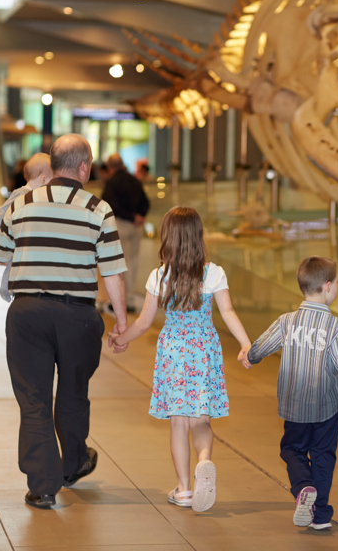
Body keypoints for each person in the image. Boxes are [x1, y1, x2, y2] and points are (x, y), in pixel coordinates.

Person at [0, 134, 129, 509]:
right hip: (77, 316)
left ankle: (43, 486)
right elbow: (113, 272)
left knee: (33, 398)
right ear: (84, 167)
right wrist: (122, 322)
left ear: (52, 166)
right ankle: (72, 464)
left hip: (27, 313)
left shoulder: (23, 203)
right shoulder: (98, 209)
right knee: (72, 392)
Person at [112, 206, 253, 512]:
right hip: (204, 352)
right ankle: (204, 461)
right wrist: (245, 344)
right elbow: (228, 312)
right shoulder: (213, 272)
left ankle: (185, 489)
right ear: (199, 237)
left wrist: (119, 339)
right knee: (201, 420)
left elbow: (144, 323)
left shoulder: (160, 276)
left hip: (174, 355)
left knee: (179, 424)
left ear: (168, 238)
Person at [247, 256, 338, 531]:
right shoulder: (337, 327)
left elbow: (262, 346)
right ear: (327, 286)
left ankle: (303, 487)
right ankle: (321, 514)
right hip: (328, 407)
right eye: (337, 283)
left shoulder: (286, 321)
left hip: (294, 406)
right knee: (324, 455)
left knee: (292, 449)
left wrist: (250, 356)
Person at [0, 154, 52, 302]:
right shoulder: (21, 193)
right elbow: (4, 208)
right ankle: (5, 288)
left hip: (24, 237)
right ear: (43, 179)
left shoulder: (39, 196)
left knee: (15, 263)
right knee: (13, 264)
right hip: (18, 239)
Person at [102, 153, 150, 313]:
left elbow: (110, 205)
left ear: (110, 167)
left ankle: (121, 301)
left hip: (121, 224)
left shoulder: (111, 182)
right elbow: (146, 201)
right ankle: (130, 299)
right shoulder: (134, 180)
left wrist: (130, 216)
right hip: (137, 226)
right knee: (134, 262)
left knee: (121, 263)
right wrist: (139, 216)